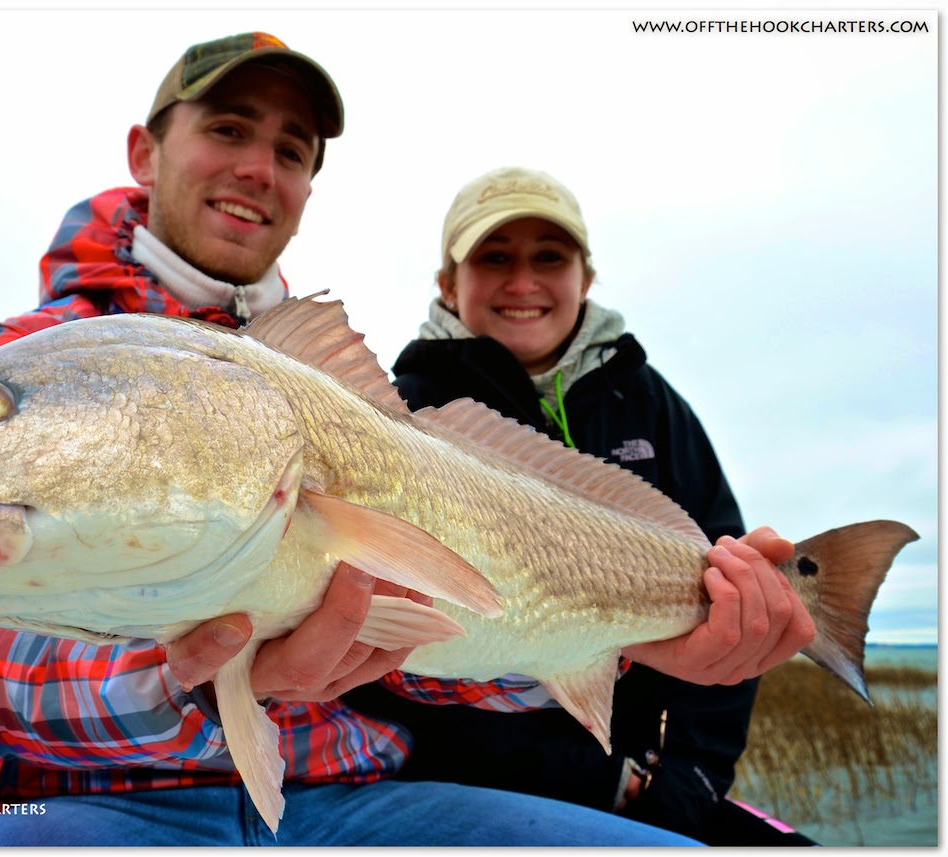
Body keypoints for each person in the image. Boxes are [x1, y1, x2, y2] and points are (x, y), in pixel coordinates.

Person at [0, 35, 812, 847]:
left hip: (364, 799)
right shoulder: (29, 358)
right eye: (228, 128)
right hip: (89, 805)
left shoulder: (348, 393)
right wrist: (201, 676)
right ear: (144, 151)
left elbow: (428, 658)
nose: (258, 169)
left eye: (292, 152)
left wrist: (625, 641)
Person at [340, 165, 819, 845]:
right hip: (468, 791)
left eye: (549, 258)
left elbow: (726, 579)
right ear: (447, 283)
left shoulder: (648, 400)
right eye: (494, 258)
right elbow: (385, 654)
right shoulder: (398, 413)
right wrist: (597, 780)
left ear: (586, 278)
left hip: (657, 790)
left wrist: (685, 785)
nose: (523, 282)